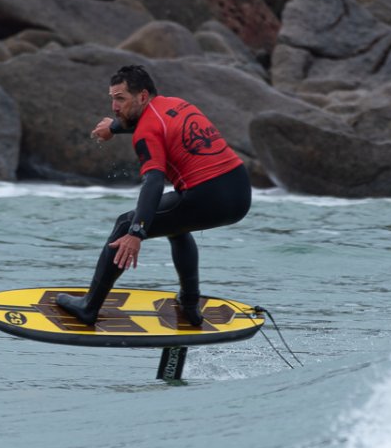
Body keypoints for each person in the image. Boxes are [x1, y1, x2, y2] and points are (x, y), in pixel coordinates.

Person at [55, 65, 252, 328]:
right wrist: (114, 127)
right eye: (112, 98)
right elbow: (156, 124)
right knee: (177, 226)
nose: (114, 106)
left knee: (125, 223)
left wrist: (137, 232)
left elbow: (154, 181)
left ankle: (89, 307)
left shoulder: (147, 132)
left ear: (143, 96)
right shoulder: (177, 104)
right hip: (239, 192)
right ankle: (190, 304)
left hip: (208, 197)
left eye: (121, 99)